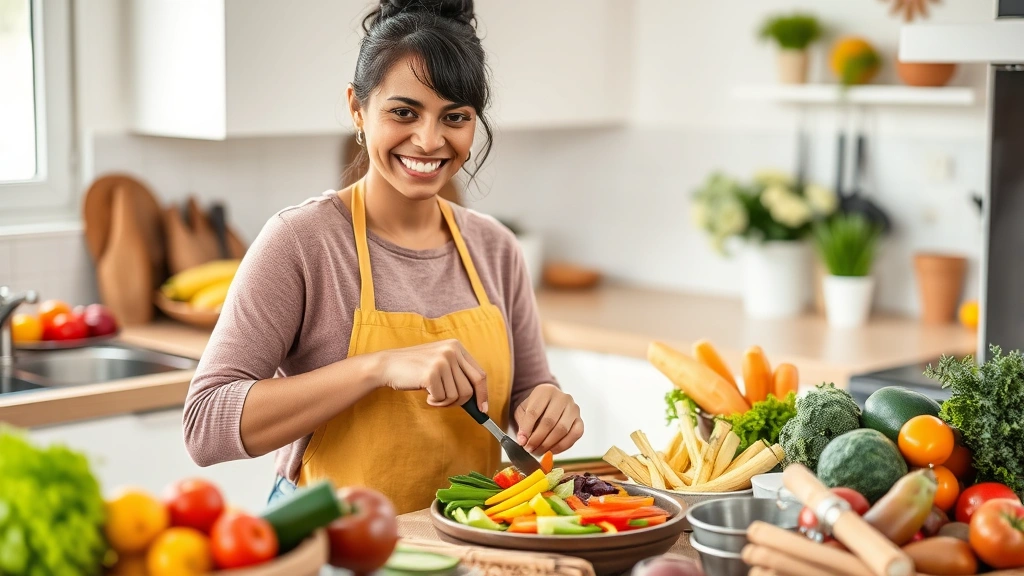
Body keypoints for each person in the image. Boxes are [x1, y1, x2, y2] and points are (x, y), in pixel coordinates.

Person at [183, 0, 584, 514]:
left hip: (472, 540)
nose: (429, 139)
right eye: (403, 112)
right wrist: (377, 367)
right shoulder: (302, 242)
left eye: (455, 117)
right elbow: (204, 426)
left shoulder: (495, 247)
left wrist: (549, 407)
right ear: (357, 108)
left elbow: (530, 391)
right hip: (334, 541)